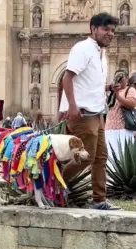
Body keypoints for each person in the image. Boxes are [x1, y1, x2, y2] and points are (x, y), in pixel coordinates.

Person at [59, 12, 120, 210]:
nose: (110, 33)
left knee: (101, 157)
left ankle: (99, 200)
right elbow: (66, 79)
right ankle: (53, 184)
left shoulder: (100, 53)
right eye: (106, 29)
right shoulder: (83, 49)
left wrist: (109, 87)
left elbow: (89, 84)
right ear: (93, 29)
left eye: (113, 30)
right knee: (86, 158)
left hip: (97, 113)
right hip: (84, 114)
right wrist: (72, 107)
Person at [105, 70, 136, 167]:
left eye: (120, 78)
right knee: (110, 157)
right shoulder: (111, 91)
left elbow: (131, 104)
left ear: (126, 79)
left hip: (124, 128)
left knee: (122, 156)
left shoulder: (130, 90)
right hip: (110, 128)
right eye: (116, 78)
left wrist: (118, 95)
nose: (118, 81)